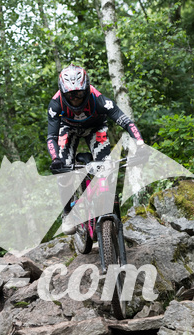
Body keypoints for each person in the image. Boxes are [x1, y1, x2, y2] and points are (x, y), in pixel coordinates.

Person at [47, 65, 145, 234]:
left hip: (95, 128)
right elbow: (52, 137)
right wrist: (56, 159)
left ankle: (108, 203)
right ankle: (68, 213)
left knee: (107, 166)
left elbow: (126, 122)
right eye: (70, 95)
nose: (75, 99)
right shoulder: (56, 104)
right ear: (63, 92)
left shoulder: (99, 99)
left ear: (86, 89)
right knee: (64, 170)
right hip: (68, 130)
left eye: (79, 93)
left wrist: (141, 146)